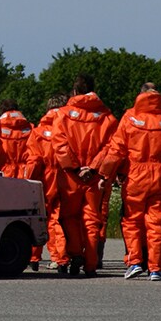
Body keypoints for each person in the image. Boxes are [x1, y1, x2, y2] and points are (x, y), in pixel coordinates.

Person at [92, 83, 161, 281]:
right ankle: (156, 268)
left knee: (132, 221)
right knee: (156, 223)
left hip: (135, 176)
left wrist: (106, 175)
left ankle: (135, 262)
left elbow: (116, 150)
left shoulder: (130, 118)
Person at [51, 74, 117, 277]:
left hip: (70, 175)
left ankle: (74, 253)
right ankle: (90, 263)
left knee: (68, 217)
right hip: (94, 177)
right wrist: (93, 167)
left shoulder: (62, 115)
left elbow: (59, 144)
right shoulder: (107, 117)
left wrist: (75, 167)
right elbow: (111, 146)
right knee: (92, 220)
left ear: (74, 91)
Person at [26, 95, 69, 273]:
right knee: (59, 219)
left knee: (38, 216)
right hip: (66, 176)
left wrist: (28, 181)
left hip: (44, 178)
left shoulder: (37, 131)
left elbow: (34, 161)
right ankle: (61, 258)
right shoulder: (69, 128)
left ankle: (34, 257)